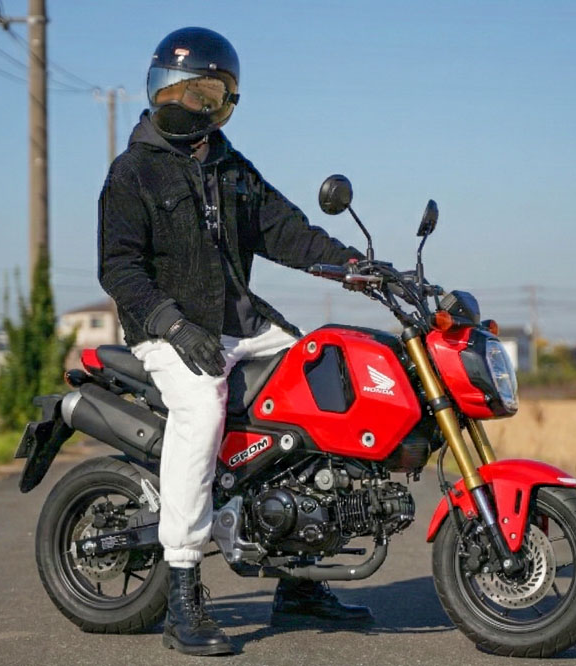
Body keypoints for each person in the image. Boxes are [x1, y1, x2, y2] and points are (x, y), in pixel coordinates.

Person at [97, 27, 373, 656]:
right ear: (158, 88)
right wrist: (172, 324)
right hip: (167, 331)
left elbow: (289, 232)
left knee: (320, 380)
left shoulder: (230, 167)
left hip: (240, 325)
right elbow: (118, 268)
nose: (189, 103)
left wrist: (357, 268)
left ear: (224, 102)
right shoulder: (132, 172)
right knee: (201, 410)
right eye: (179, 89)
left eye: (205, 93)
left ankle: (299, 580)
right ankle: (183, 592)